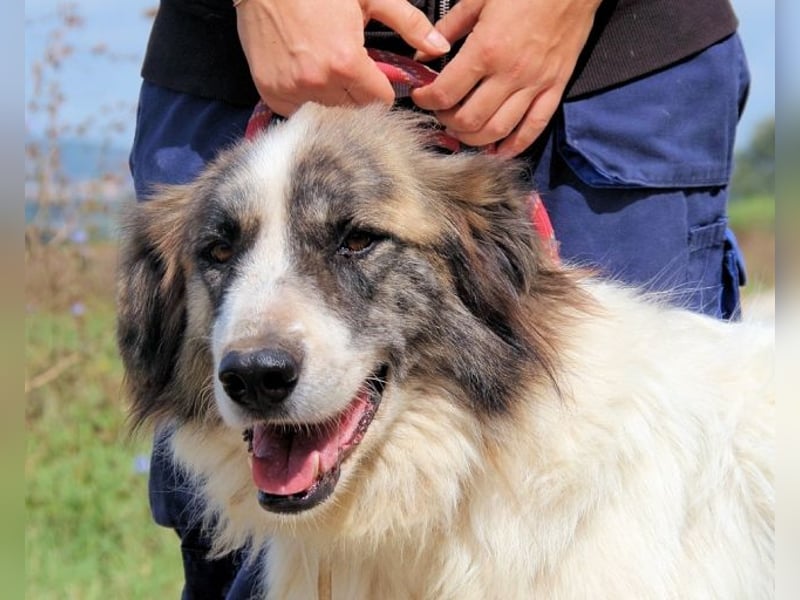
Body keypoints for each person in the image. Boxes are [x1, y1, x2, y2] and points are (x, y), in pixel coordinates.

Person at [129, 0, 750, 596]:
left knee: (626, 471)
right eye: (221, 253)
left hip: (599, 68)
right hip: (245, 53)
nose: (256, 355)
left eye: (356, 241)